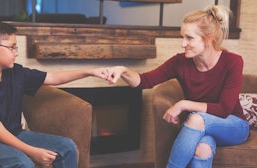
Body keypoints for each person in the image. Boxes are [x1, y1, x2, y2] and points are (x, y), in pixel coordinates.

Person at [105, 5, 249, 168]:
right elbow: (144, 81)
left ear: (208, 39)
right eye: (182, 37)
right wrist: (123, 71)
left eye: (189, 38)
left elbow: (224, 109)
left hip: (233, 125)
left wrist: (183, 104)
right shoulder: (180, 62)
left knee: (195, 118)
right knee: (202, 150)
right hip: (201, 127)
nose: (183, 44)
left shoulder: (233, 61)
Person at [0, 20, 108, 168]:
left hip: (15, 132)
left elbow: (53, 78)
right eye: (12, 48)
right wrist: (33, 152)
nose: (16, 53)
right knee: (23, 163)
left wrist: (89, 71)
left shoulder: (15, 72)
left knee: (67, 147)